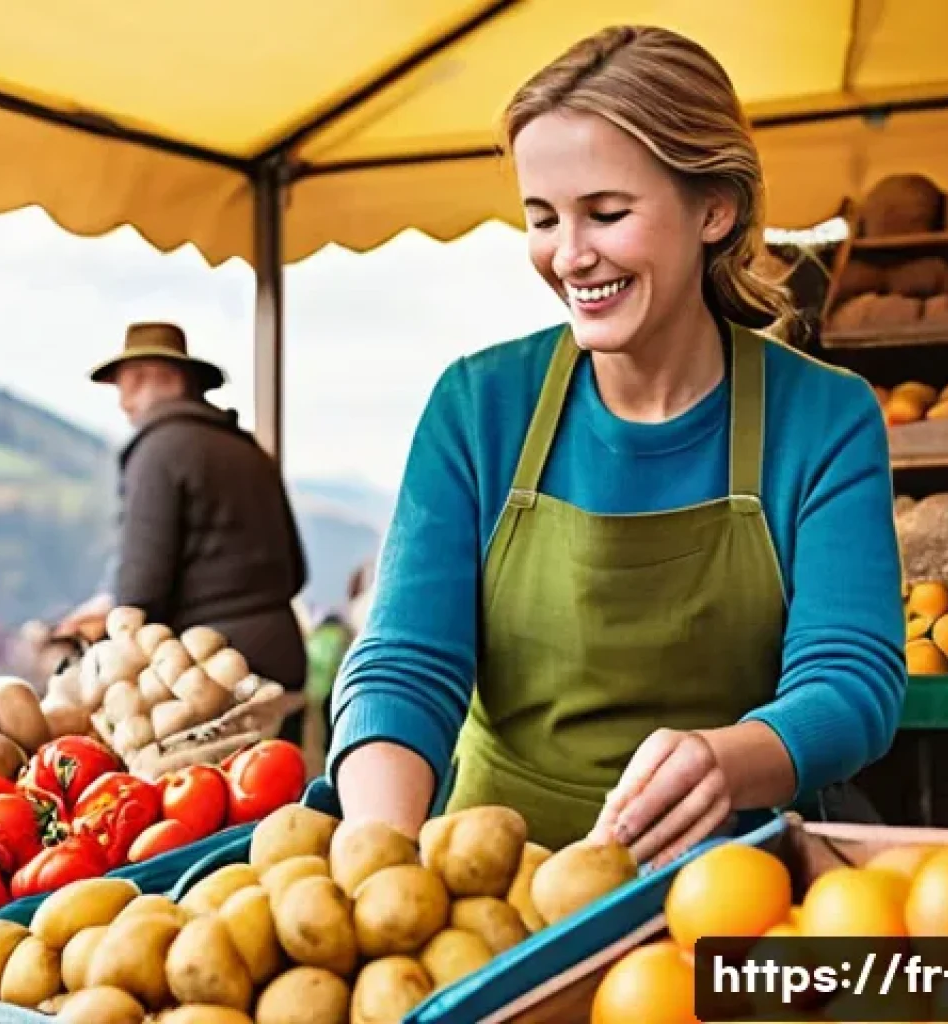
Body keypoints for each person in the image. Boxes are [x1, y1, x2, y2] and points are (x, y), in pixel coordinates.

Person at [327, 26, 907, 868]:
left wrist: (727, 761)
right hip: (494, 886)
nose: (570, 256)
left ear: (715, 209)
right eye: (542, 219)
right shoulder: (478, 404)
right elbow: (406, 663)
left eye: (606, 213)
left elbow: (850, 681)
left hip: (722, 885)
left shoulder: (825, 418)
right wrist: (379, 861)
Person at [88, 322, 310, 744]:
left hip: (210, 681)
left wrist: (105, 621)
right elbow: (296, 571)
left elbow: (140, 592)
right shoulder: (249, 450)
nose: (123, 402)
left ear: (169, 380)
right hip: (283, 662)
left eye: (130, 384)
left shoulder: (156, 451)